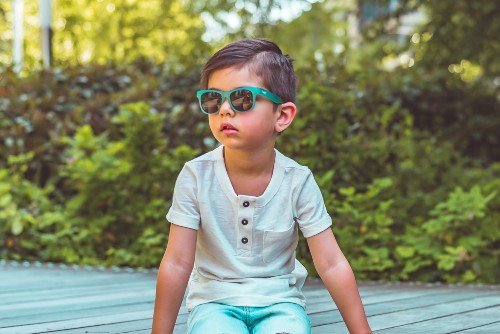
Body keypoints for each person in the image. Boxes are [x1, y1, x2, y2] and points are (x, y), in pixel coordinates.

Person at [152, 38, 372, 334]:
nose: (225, 110)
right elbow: (177, 263)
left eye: (242, 99)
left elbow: (331, 264)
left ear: (281, 116)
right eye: (213, 99)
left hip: (281, 304)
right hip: (214, 304)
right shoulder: (195, 176)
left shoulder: (298, 181)